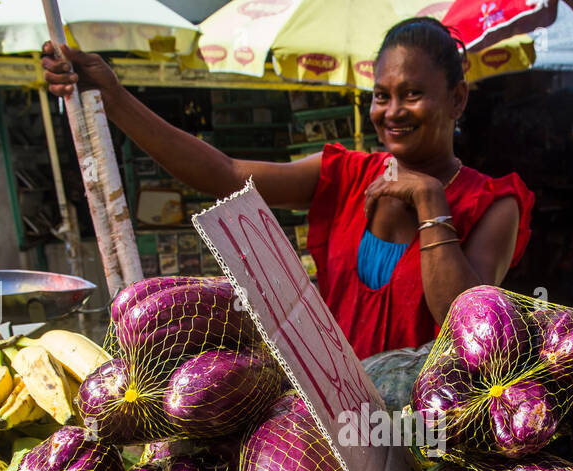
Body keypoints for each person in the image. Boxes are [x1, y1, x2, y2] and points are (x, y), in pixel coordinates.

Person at [42, 17, 534, 360]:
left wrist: (429, 199)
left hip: (429, 432)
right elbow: (225, 175)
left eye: (413, 94)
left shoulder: (492, 203)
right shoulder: (346, 174)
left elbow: (466, 322)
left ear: (457, 99)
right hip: (336, 426)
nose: (392, 111)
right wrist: (114, 98)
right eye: (382, 96)